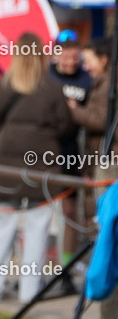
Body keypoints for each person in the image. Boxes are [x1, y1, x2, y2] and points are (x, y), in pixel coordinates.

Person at [0, 34, 73, 303]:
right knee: (37, 229)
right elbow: (65, 125)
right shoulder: (53, 88)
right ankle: (30, 291)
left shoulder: (3, 86)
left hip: (5, 164)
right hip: (41, 166)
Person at [49, 31, 95, 268]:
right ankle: (38, 262)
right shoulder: (45, 76)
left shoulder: (87, 80)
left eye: (75, 57)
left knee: (70, 210)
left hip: (71, 152)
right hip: (45, 149)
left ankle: (67, 263)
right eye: (66, 57)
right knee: (42, 211)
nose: (70, 62)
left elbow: (92, 118)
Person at [68, 37, 118, 200]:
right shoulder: (102, 82)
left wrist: (74, 110)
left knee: (99, 208)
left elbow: (101, 121)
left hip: (105, 157)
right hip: (99, 155)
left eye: (89, 61)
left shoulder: (108, 84)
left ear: (103, 60)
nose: (85, 66)